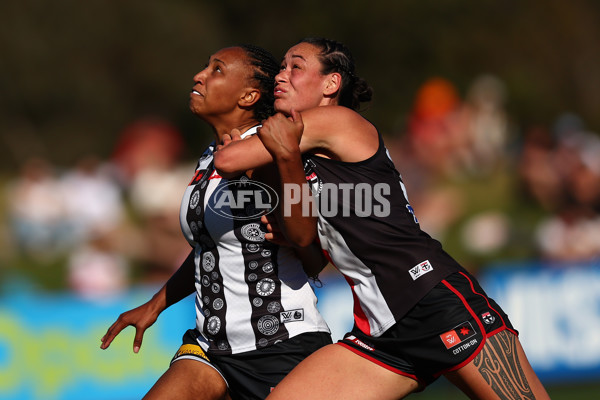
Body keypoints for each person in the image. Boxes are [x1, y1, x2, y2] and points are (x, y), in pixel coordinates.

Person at [213, 38, 550, 399]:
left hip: (433, 299)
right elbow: (305, 247)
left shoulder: (335, 120)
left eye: (296, 66)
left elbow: (228, 160)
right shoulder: (296, 156)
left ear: (331, 84)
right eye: (281, 66)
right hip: (380, 330)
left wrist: (231, 123)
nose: (282, 75)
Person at [100, 44, 332, 400]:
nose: (200, 76)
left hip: (279, 345)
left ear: (250, 95)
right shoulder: (211, 156)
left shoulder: (268, 149)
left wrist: (286, 163)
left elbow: (308, 243)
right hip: (211, 347)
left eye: (217, 70)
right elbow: (213, 249)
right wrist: (156, 303)